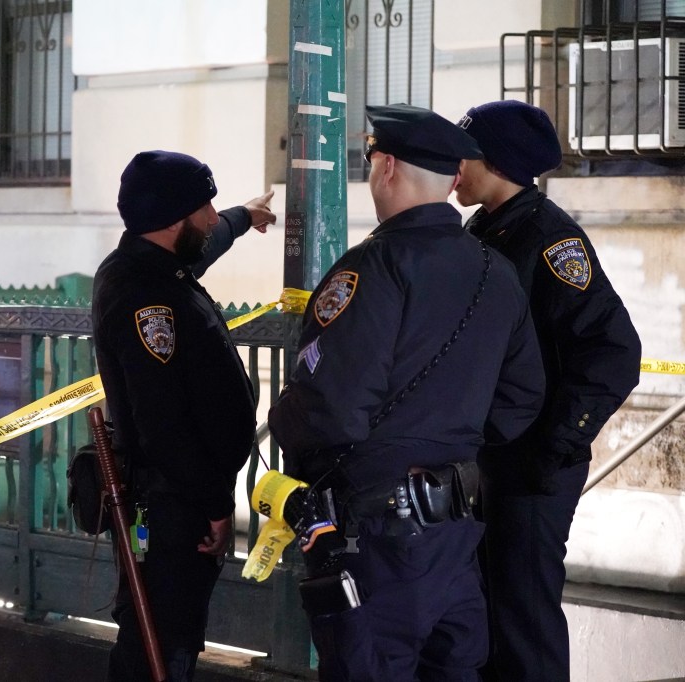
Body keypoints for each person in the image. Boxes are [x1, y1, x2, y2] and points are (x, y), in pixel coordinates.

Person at [267, 104, 547, 681]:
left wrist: (285, 422)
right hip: (456, 536)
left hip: (377, 542)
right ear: (450, 180)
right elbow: (521, 399)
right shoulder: (498, 273)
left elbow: (333, 410)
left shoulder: (368, 270)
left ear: (386, 166)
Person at [454, 100, 642, 682]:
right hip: (492, 458)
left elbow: (614, 352)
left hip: (531, 463)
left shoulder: (551, 239)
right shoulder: (488, 228)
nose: (453, 165)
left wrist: (554, 445)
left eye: (466, 151)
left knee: (523, 623)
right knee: (487, 618)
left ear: (499, 161)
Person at [91, 149, 275, 681]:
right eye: (207, 207)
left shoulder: (152, 265)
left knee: (169, 635)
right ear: (174, 219)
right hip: (173, 507)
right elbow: (163, 423)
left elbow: (205, 244)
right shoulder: (145, 296)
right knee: (160, 643)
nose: (213, 217)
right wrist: (217, 506)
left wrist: (245, 216)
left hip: (178, 499)